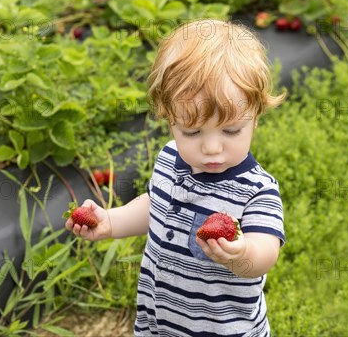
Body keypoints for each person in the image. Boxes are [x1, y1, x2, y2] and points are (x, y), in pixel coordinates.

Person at [66, 19, 286, 336]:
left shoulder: (256, 191)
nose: (212, 148)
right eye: (192, 132)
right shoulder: (170, 158)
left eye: (231, 130)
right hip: (163, 320)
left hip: (222, 329)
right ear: (169, 119)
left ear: (255, 118)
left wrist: (242, 254)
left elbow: (266, 252)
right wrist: (111, 222)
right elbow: (156, 205)